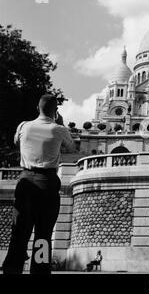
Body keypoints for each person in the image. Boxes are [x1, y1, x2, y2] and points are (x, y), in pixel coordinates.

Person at [2, 94, 75, 274]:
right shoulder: (58, 129)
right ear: (56, 111)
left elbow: (16, 142)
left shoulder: (23, 126)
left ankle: (12, 269)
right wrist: (61, 123)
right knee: (43, 234)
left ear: (37, 107)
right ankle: (39, 271)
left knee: (19, 231)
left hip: (25, 181)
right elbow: (71, 148)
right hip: (47, 183)